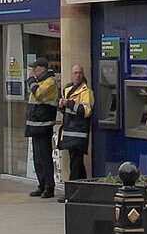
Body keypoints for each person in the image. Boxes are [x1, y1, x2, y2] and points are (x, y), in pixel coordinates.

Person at [25, 60, 60, 198]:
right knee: (38, 158)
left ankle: (49, 187)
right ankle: (41, 184)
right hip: (35, 124)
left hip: (44, 125)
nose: (33, 71)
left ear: (43, 69)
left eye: (35, 68)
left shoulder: (50, 82)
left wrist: (30, 81)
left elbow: (39, 94)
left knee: (45, 157)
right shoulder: (39, 81)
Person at [59, 65, 95, 189]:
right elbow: (65, 112)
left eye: (80, 73)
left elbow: (86, 111)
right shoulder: (68, 89)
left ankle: (72, 191)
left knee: (75, 164)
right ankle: (83, 189)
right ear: (71, 74)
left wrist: (69, 103)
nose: (77, 75)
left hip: (79, 132)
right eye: (75, 73)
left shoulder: (87, 91)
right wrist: (62, 106)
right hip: (69, 131)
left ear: (83, 74)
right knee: (77, 164)